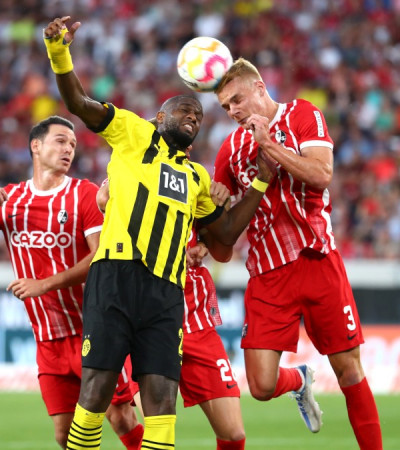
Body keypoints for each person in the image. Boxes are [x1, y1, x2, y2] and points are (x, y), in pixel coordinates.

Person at [43, 15, 268, 450]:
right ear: (161, 116)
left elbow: (224, 235)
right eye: (185, 110)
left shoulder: (197, 177)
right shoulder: (132, 132)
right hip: (116, 276)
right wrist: (59, 52)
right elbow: (79, 103)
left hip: (166, 292)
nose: (193, 117)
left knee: (162, 401)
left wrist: (259, 183)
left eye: (198, 115)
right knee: (97, 391)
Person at [0, 116, 143, 450]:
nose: (68, 149)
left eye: (73, 144)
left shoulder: (84, 194)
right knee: (64, 434)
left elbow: (100, 258)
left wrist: (44, 284)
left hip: (95, 330)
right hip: (48, 339)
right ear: (36, 145)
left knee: (121, 417)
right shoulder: (10, 200)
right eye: (61, 141)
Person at [212, 58, 383, 448]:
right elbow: (223, 246)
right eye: (225, 106)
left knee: (349, 370)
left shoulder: (302, 114)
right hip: (267, 273)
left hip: (317, 259)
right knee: (260, 385)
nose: (232, 111)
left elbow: (322, 175)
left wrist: (269, 145)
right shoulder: (229, 150)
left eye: (237, 100)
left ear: (259, 88)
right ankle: (299, 379)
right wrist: (214, 211)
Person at [98, 180, 246, 450]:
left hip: (195, 319)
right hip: (146, 325)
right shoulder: (127, 169)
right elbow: (104, 202)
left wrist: (206, 237)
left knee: (233, 434)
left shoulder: (194, 178)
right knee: (158, 431)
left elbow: (221, 244)